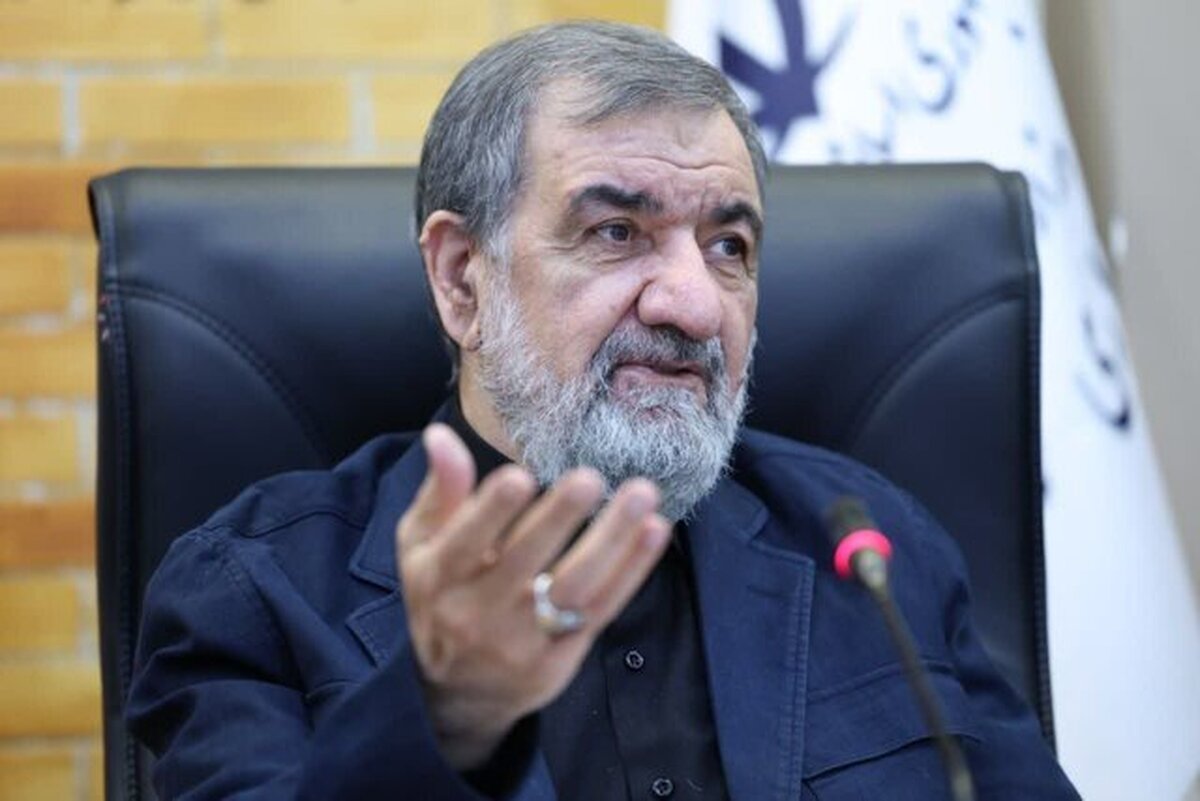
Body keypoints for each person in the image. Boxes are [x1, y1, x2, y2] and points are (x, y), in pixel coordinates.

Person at [127, 21, 1080, 800]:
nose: (693, 305)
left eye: (729, 247)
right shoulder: (254, 594)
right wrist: (445, 714)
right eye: (617, 231)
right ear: (461, 279)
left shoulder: (869, 545)